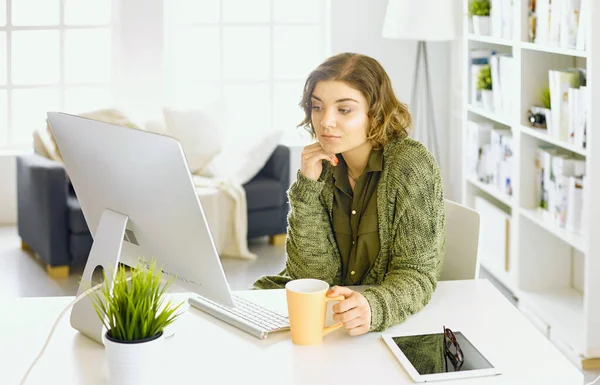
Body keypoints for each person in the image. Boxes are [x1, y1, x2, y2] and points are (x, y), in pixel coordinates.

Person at [254, 52, 445, 336]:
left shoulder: (411, 166)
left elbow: (417, 274)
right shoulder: (323, 166)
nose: (325, 121)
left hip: (382, 328)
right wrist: (307, 187)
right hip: (329, 323)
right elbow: (312, 276)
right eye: (317, 107)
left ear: (375, 112)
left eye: (344, 110)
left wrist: (375, 306)